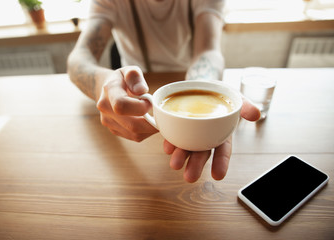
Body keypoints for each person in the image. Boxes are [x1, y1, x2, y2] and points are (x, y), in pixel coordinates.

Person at [67, 0, 260, 183]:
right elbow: (78, 59)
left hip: (187, 80)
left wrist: (204, 87)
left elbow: (207, 49)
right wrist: (104, 82)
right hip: (136, 93)